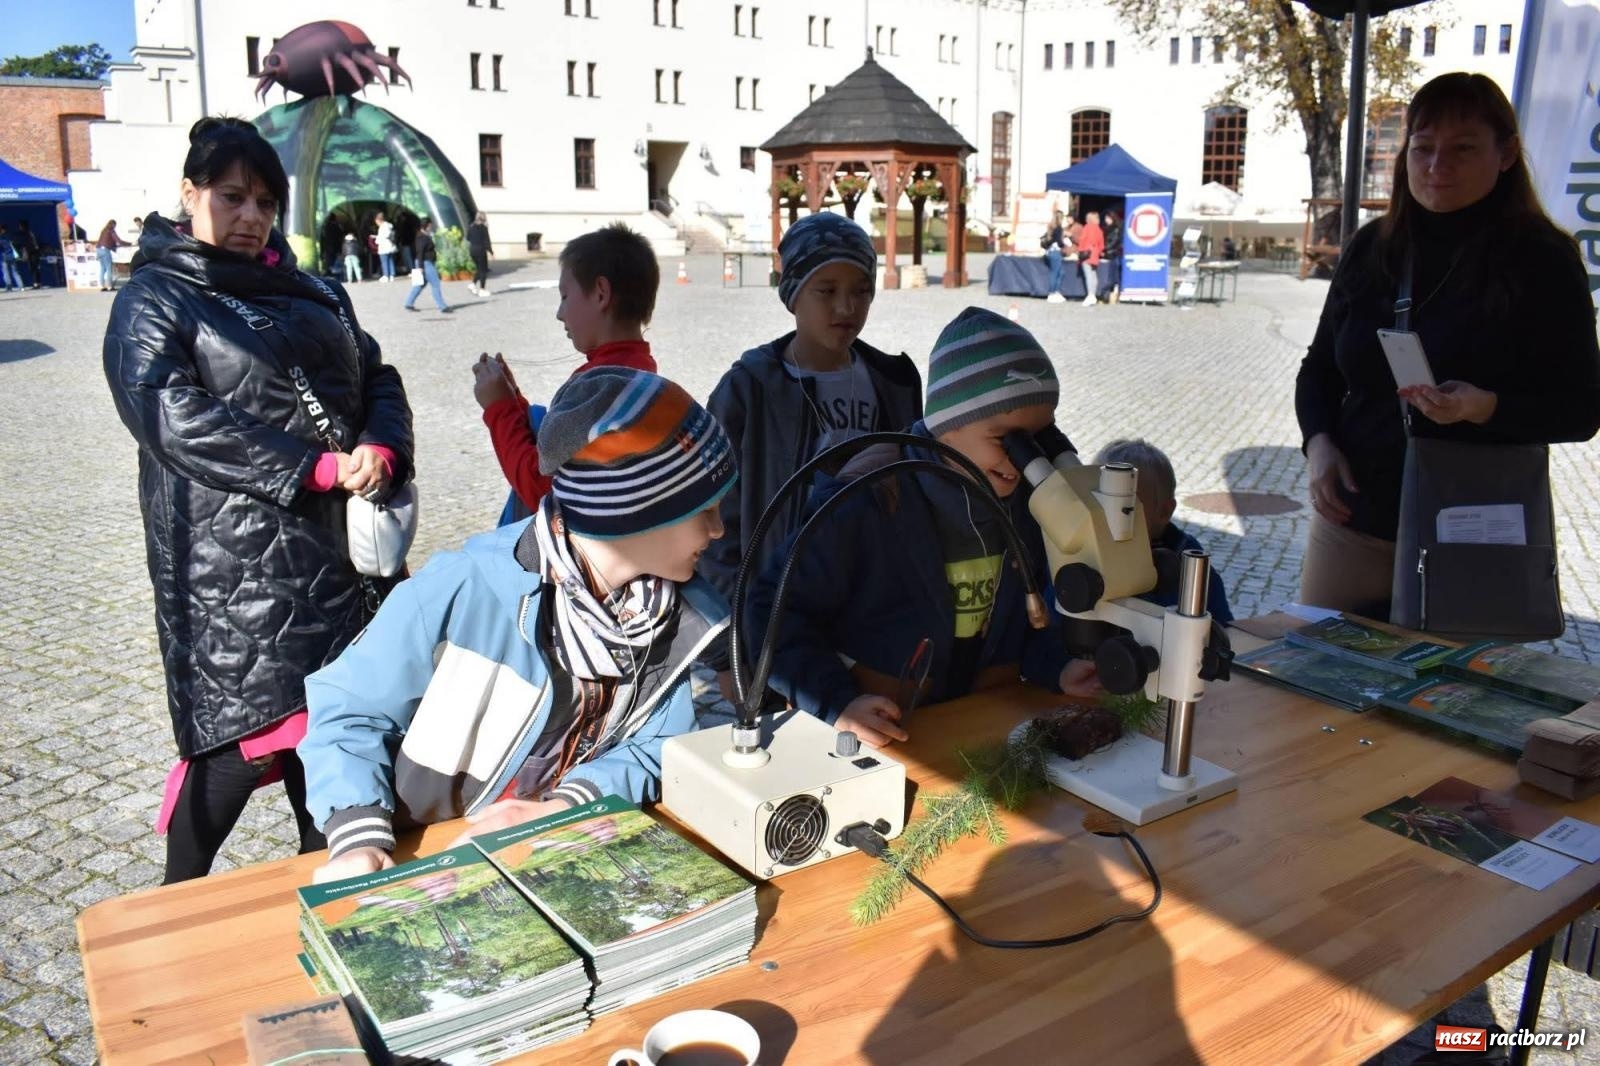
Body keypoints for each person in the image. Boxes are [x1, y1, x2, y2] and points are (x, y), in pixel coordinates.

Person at [101, 116, 415, 883]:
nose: (250, 217)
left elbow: (377, 376)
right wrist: (310, 467)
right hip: (232, 564)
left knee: (337, 733)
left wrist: (380, 446)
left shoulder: (315, 289)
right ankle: (174, 906)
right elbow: (168, 413)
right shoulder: (157, 297)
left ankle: (331, 893)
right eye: (231, 197)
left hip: (338, 557)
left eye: (265, 202)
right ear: (189, 193)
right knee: (236, 744)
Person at [299, 368, 736, 882]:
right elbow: (348, 712)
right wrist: (357, 836)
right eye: (701, 510)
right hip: (417, 848)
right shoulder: (465, 589)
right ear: (632, 514)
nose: (718, 528)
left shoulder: (675, 613)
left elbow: (660, 745)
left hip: (541, 856)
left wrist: (569, 803)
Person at [1295, 72, 1600, 617]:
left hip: (1473, 532)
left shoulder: (1543, 260)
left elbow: (1581, 409)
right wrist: (1319, 445)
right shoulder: (1371, 248)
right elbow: (1318, 371)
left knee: (1451, 696)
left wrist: (1484, 407)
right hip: (1354, 525)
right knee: (1320, 688)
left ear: (1506, 154)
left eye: (1463, 149)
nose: (1438, 167)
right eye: (1423, 148)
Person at [746, 306, 1101, 747]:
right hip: (877, 731)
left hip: (972, 726)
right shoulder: (869, 498)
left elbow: (1023, 620)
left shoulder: (1024, 501)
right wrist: (836, 702)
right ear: (946, 425)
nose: (1022, 460)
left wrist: (1059, 664)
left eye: (1038, 440)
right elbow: (768, 611)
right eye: (1005, 439)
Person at [702, 211, 922, 701]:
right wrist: (730, 650)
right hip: (777, 623)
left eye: (861, 289)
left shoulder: (895, 383)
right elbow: (715, 530)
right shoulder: (749, 391)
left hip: (868, 628)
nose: (847, 306)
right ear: (792, 292)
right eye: (827, 290)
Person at [474, 222, 660, 523]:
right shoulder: (641, 369)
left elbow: (539, 487)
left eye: (564, 297)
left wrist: (499, 409)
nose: (559, 313)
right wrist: (513, 400)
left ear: (601, 294)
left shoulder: (597, 387)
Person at [1093, 438, 1234, 624]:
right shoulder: (1085, 551)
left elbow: (1223, 628)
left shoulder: (1186, 560)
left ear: (1164, 512)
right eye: (1097, 504)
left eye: (1124, 507)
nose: (1106, 517)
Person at [403, 217, 451, 313]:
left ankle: (408, 303)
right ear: (427, 225)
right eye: (430, 225)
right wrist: (420, 267)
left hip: (424, 262)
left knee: (420, 284)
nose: (431, 227)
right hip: (425, 263)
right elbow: (420, 252)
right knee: (435, 283)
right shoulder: (422, 237)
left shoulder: (422, 235)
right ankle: (442, 306)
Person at [1042, 206, 1072, 303]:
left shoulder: (1051, 226)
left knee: (1060, 272)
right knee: (1055, 273)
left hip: (1050, 252)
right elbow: (1059, 242)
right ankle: (1052, 293)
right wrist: (1066, 243)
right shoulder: (1058, 228)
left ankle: (1056, 291)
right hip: (1055, 252)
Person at [1078, 210, 1105, 306]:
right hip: (1095, 255)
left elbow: (1082, 241)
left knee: (1089, 275)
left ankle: (1090, 295)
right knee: (1093, 275)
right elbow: (1102, 245)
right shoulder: (1099, 230)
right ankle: (1093, 294)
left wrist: (1080, 251)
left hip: (1087, 255)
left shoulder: (1087, 228)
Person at [95, 219, 130, 291]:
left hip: (98, 250)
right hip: (105, 250)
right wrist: (130, 244)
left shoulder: (103, 230)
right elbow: (118, 241)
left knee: (102, 268)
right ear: (113, 225)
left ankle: (102, 286)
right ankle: (109, 286)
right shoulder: (111, 231)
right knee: (108, 268)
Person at [467, 210, 493, 297]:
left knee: (479, 268)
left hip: (472, 249)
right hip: (481, 250)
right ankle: (482, 289)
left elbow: (468, 238)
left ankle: (473, 284)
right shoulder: (483, 228)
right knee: (483, 270)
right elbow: (487, 241)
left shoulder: (471, 226)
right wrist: (491, 252)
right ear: (484, 218)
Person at [1099, 207, 1122, 303]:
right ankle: (1108, 296)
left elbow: (1113, 242)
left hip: (1112, 255)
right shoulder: (1107, 228)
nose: (1105, 220)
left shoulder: (1115, 229)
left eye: (1107, 218)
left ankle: (1107, 295)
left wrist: (1104, 249)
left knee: (1112, 277)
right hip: (1108, 254)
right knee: (1111, 277)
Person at [17, 220, 41, 288]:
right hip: (34, 252)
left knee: (33, 268)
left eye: (20, 226)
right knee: (35, 268)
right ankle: (37, 282)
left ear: (22, 226)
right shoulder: (30, 233)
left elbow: (26, 244)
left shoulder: (25, 234)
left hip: (31, 253)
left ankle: (36, 283)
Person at [374, 211, 396, 282]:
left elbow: (381, 237)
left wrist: (376, 239)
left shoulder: (382, 227)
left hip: (383, 246)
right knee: (390, 260)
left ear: (378, 220)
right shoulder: (389, 225)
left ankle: (386, 275)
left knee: (384, 261)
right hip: (390, 246)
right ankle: (392, 275)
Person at [0, 224, 22, 292]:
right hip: (12, 256)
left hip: (4, 257)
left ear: (2, 230)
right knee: (15, 272)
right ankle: (21, 286)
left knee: (6, 272)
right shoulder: (10, 236)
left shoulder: (1, 238)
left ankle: (9, 287)